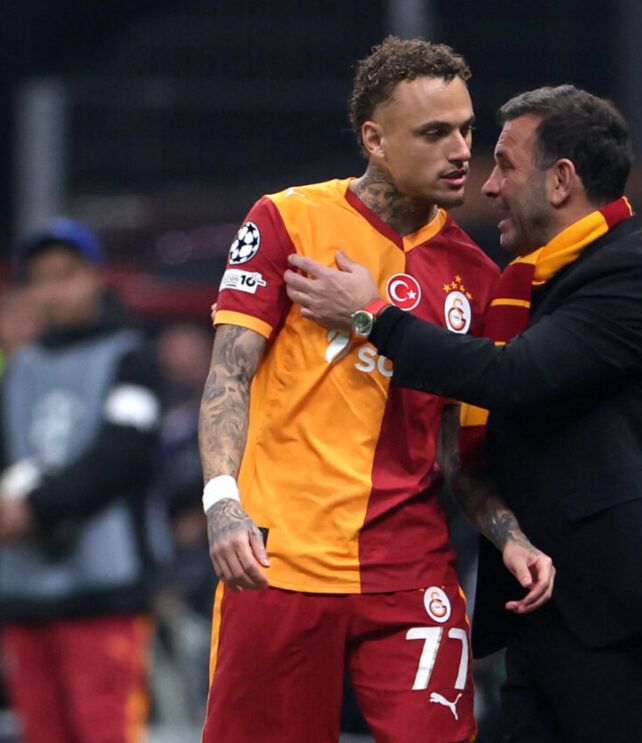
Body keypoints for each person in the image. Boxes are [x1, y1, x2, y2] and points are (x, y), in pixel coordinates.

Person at [284, 83, 642, 742]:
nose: (490, 185)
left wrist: (373, 316)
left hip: (637, 613)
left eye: (505, 165)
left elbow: (513, 376)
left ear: (561, 181)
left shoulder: (628, 277)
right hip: (556, 607)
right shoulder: (535, 286)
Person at [198, 36, 553, 743]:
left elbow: (457, 452)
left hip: (410, 570)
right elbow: (227, 375)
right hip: (280, 562)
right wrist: (221, 503)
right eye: (434, 133)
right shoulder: (288, 220)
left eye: (466, 130)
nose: (461, 151)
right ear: (375, 140)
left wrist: (509, 536)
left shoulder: (478, 276)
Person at [0, 218, 163, 743]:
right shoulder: (19, 367)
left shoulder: (130, 357)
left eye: (66, 275)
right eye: (42, 279)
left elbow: (120, 457)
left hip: (105, 590)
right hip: (23, 589)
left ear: (95, 277)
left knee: (106, 731)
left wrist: (33, 509)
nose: (55, 291)